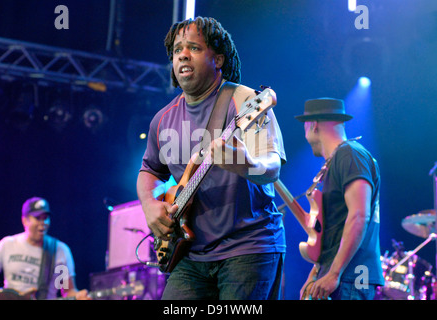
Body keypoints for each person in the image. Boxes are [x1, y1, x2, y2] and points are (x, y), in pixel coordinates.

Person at [136, 17, 286, 300]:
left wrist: (244, 164)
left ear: (217, 60)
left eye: (193, 47)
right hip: (191, 254)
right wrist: (148, 205)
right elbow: (148, 171)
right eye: (177, 49)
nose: (182, 54)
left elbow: (272, 170)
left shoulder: (245, 101)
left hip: (248, 247)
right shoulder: (162, 119)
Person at [296, 98, 384, 300]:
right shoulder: (340, 159)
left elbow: (360, 215)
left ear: (313, 125)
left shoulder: (350, 154)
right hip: (341, 277)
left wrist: (334, 273)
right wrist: (315, 274)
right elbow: (333, 232)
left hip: (351, 277)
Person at [0, 197, 91, 300]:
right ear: (25, 220)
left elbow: (67, 291)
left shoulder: (60, 251)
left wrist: (78, 297)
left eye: (45, 218)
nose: (43, 222)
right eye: (38, 218)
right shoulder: (7, 244)